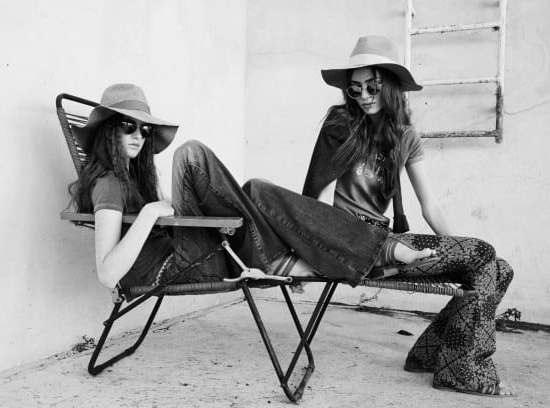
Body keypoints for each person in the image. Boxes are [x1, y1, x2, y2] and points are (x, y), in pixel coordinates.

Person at [67, 83, 433, 298]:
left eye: (144, 129)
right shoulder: (108, 185)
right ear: (108, 130)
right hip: (176, 268)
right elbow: (107, 274)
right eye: (128, 127)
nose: (138, 136)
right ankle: (376, 249)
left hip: (197, 253)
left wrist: (162, 207)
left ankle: (315, 254)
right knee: (190, 154)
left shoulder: (135, 179)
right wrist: (150, 213)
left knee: (257, 188)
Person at [301, 35, 515, 397]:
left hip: (385, 240)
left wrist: (458, 251)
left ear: (390, 86)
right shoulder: (340, 126)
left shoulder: (405, 136)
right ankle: (463, 369)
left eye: (372, 86)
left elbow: (430, 206)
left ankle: (428, 355)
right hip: (351, 242)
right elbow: (316, 194)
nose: (364, 96)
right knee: (483, 256)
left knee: (497, 267)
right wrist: (308, 250)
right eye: (355, 89)